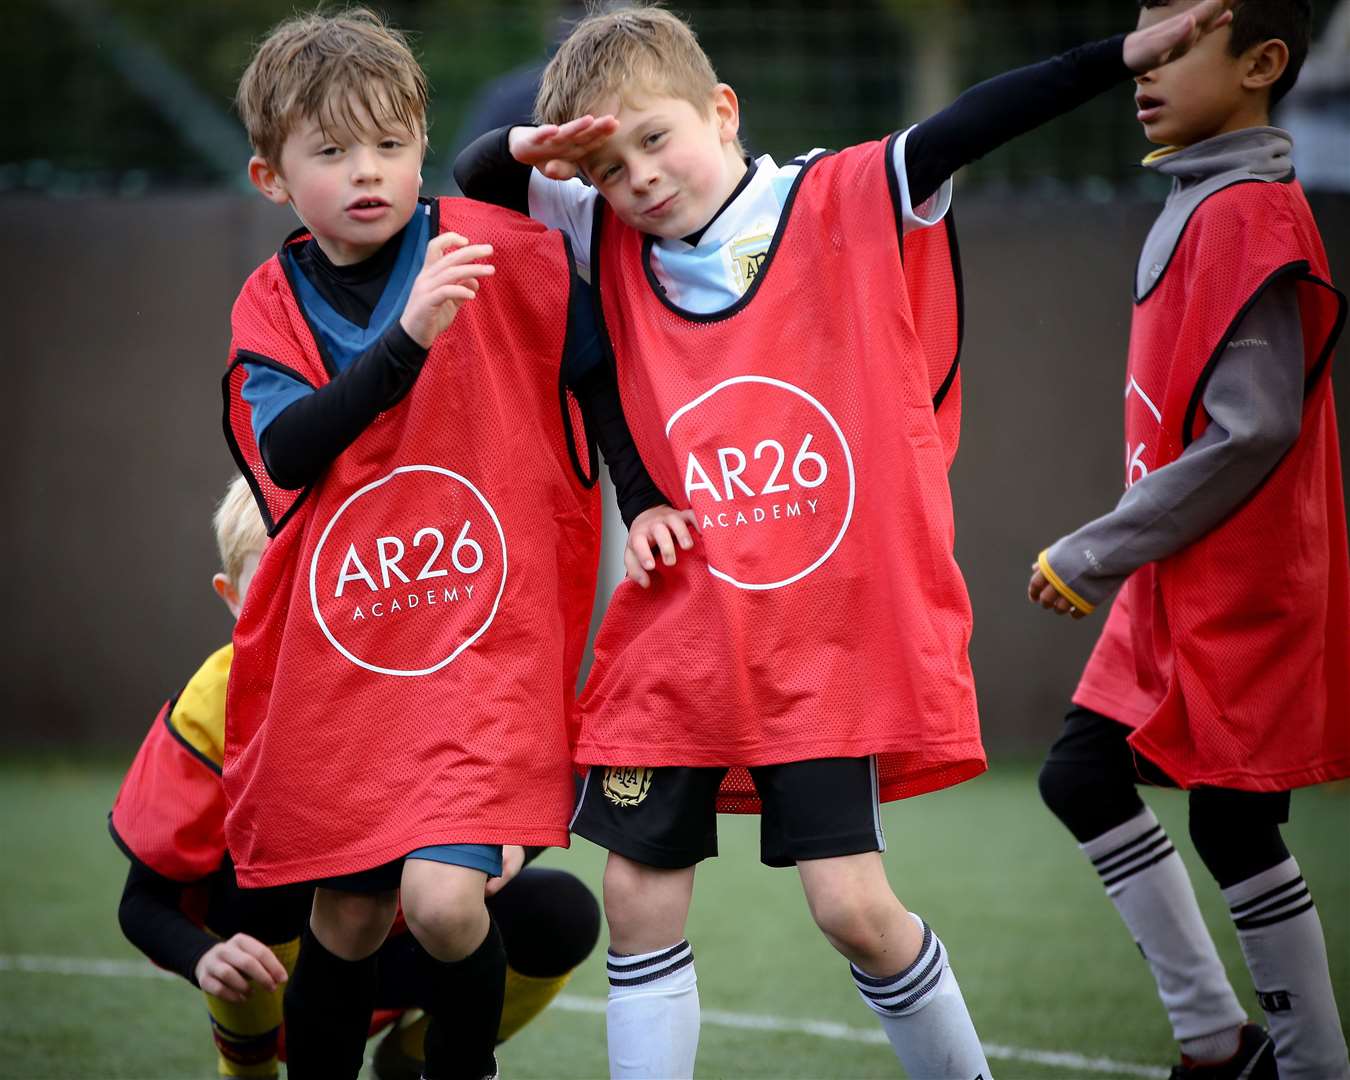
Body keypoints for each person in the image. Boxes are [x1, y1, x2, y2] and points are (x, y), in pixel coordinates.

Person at [453, 4, 1238, 1076]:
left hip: (820, 642)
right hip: (675, 631)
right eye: (607, 165)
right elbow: (475, 176)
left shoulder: (837, 196)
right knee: (634, 902)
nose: (636, 176)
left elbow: (975, 120)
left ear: (721, 113)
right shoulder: (601, 228)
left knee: (854, 910)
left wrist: (1117, 57)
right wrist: (533, 152)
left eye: (655, 138)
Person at [221, 10, 663, 1078]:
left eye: (390, 144)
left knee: (444, 898)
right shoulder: (269, 306)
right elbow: (285, 450)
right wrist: (407, 340)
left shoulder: (505, 253)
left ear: (423, 146)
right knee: (354, 917)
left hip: (483, 653)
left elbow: (593, 366)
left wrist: (642, 495)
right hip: (352, 659)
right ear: (272, 177)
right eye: (330, 152)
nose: (366, 172)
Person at [1027, 2, 1350, 1078]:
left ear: (1261, 64)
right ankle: (1219, 1044)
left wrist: (1098, 546)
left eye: (1175, 49)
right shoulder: (1208, 197)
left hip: (1245, 590)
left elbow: (1254, 427)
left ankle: (1304, 1066)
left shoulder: (1248, 212)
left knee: (1235, 825)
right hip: (1183, 578)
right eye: (1141, 45)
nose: (1143, 70)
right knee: (1084, 776)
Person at [110, 475, 603, 1079]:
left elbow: (550, 765)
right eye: (271, 580)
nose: (293, 604)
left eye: (313, 573)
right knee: (267, 872)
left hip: (417, 938)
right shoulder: (211, 704)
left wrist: (512, 841)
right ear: (231, 596)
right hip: (291, 969)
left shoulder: (419, 661)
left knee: (563, 911)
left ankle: (412, 1059)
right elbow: (143, 900)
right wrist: (203, 956)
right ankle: (250, 1065)